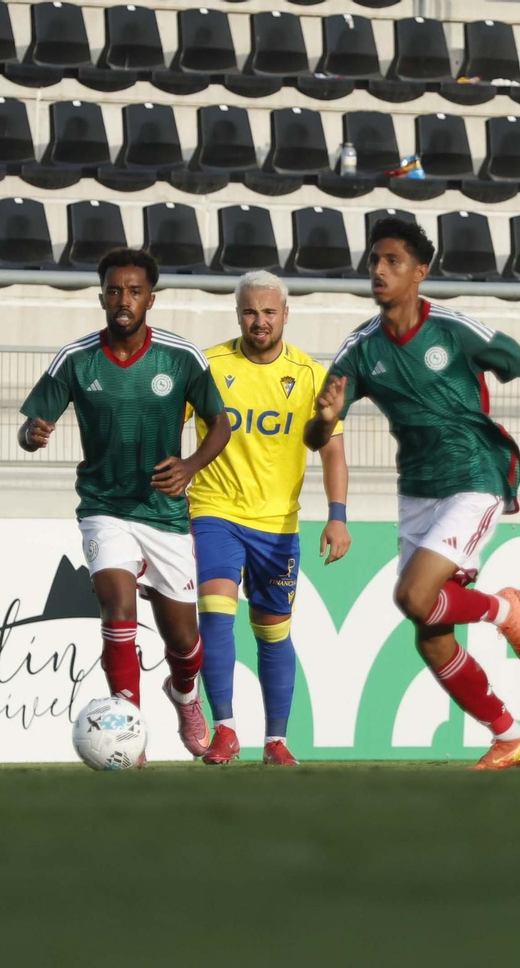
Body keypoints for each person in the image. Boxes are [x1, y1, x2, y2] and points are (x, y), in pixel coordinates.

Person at [304, 217, 520, 771]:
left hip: (475, 476)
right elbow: (319, 437)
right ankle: (510, 735)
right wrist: (323, 417)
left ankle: (504, 609)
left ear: (419, 273)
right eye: (374, 261)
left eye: (392, 262)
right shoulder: (360, 349)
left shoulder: (452, 329)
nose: (378, 271)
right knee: (430, 635)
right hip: (418, 491)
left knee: (412, 596)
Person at [18, 248, 231, 758]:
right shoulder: (76, 359)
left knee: (183, 642)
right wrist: (33, 432)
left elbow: (220, 425)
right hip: (104, 505)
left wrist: (191, 466)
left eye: (134, 292)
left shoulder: (181, 357)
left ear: (150, 299)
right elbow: (28, 429)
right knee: (117, 606)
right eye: (115, 291)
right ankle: (126, 732)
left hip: (164, 513)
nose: (123, 300)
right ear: (101, 296)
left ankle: (184, 696)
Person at [189, 271, 353, 768]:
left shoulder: (309, 376)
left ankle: (276, 741)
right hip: (214, 508)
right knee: (216, 611)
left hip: (278, 522)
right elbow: (163, 427)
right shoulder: (209, 366)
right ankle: (225, 731)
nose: (259, 321)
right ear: (237, 313)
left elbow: (333, 452)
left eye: (268, 312)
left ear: (286, 314)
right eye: (249, 312)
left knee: (272, 628)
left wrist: (338, 517)